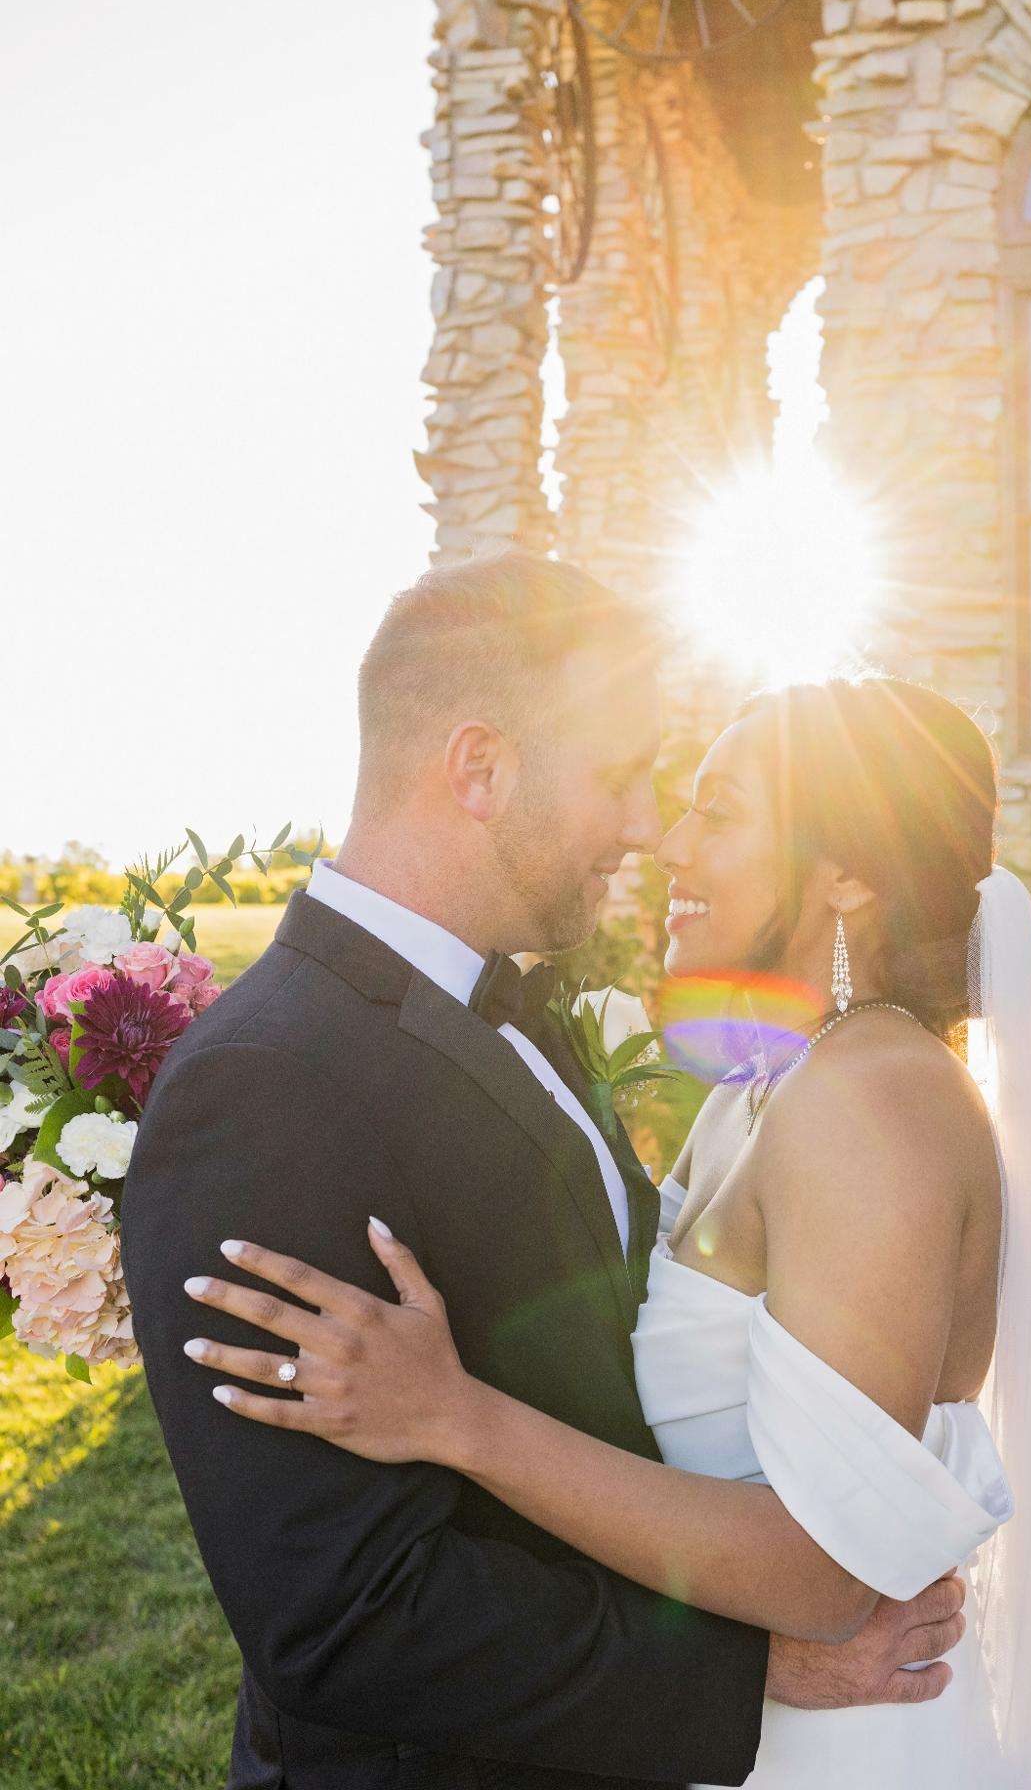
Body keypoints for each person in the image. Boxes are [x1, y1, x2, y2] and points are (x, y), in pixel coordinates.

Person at [122, 546, 973, 1790]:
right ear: (480, 766)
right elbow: (346, 1613)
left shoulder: (513, 1002)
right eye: (623, 776)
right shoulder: (262, 1082)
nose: (647, 827)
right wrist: (755, 1671)